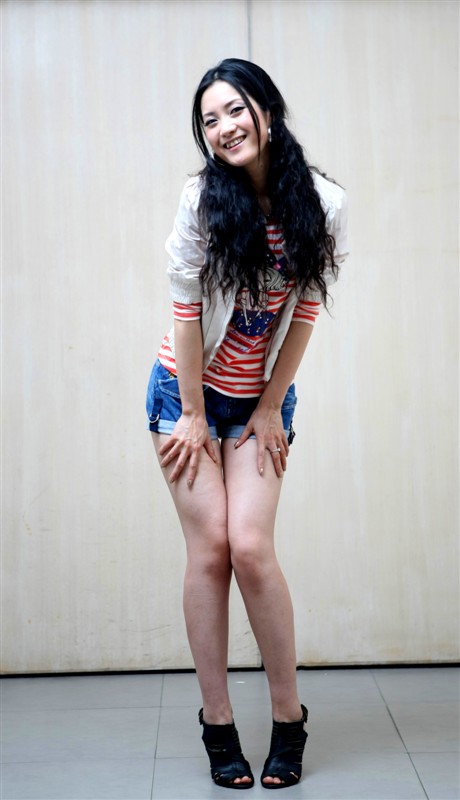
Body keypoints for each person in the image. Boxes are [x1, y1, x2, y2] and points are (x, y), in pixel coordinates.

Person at [146, 58, 348, 790]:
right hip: (186, 395)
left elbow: (307, 310)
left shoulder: (323, 202)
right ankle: (218, 722)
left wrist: (268, 406)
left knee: (252, 548)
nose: (225, 127)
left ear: (267, 108)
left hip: (261, 399)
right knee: (209, 553)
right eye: (209, 120)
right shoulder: (202, 201)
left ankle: (289, 718)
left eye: (235, 109)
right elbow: (186, 310)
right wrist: (194, 414)